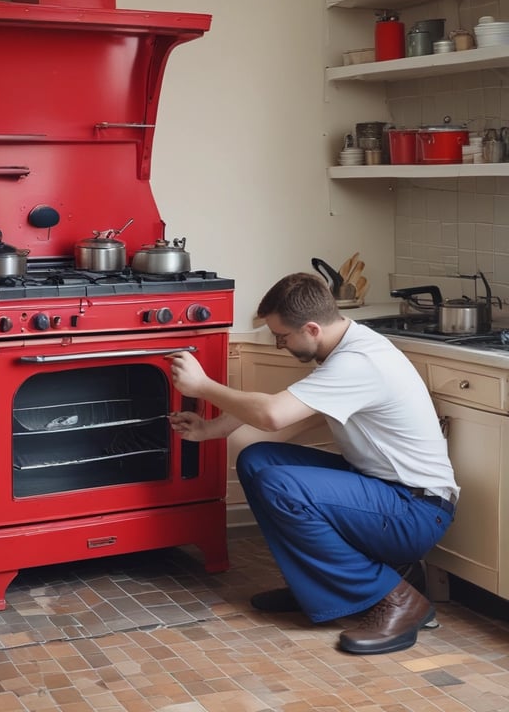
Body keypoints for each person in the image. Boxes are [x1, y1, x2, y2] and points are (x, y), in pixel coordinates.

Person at [168, 272, 458, 655]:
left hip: (414, 510)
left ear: (311, 328)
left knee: (280, 485)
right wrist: (210, 430)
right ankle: (317, 582)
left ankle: (400, 601)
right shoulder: (344, 350)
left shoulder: (359, 362)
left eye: (283, 336)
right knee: (259, 460)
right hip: (388, 494)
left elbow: (272, 415)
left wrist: (203, 386)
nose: (279, 343)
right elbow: (292, 416)